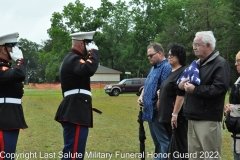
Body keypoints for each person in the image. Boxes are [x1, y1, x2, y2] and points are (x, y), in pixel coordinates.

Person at [178, 31, 231, 160]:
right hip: (192, 116)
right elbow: (181, 82)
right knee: (194, 157)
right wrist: (182, 85)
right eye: (193, 44)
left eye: (197, 44)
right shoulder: (196, 64)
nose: (194, 47)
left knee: (210, 157)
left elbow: (219, 89)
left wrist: (195, 90)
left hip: (208, 119)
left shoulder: (220, 64)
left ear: (208, 46)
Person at [55, 31, 100, 160]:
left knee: (74, 151)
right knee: (74, 153)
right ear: (81, 44)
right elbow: (88, 69)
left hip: (76, 108)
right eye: (88, 43)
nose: (90, 47)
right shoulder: (74, 59)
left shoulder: (73, 59)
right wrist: (94, 52)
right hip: (76, 110)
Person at [137, 42, 172, 160]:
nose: (149, 58)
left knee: (164, 141)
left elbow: (164, 90)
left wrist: (158, 106)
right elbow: (147, 85)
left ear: (160, 53)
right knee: (157, 142)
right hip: (149, 111)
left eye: (151, 55)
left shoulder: (166, 67)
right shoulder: (153, 68)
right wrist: (141, 96)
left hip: (157, 111)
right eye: (148, 56)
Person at [0, 33, 28, 159]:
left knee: (8, 155)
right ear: (2, 49)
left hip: (10, 116)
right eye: (12, 46)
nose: (16, 50)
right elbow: (19, 75)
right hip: (4, 117)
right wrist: (20, 60)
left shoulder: (7, 67)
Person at [158, 43, 188, 158]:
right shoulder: (171, 72)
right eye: (169, 54)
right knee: (173, 146)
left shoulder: (183, 71)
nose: (169, 57)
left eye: (172, 55)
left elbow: (181, 95)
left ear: (179, 56)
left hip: (177, 118)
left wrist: (174, 114)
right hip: (166, 116)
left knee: (180, 146)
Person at [224, 51, 240, 160]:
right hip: (237, 137)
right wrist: (228, 108)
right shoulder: (238, 81)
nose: (235, 64)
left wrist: (233, 108)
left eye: (238, 61)